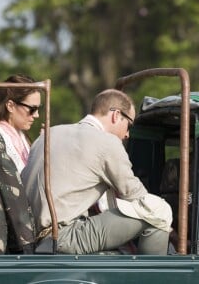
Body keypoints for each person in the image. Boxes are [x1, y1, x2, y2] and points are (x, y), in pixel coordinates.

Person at [22, 89, 172, 255]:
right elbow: (137, 196)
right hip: (62, 238)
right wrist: (174, 233)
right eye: (129, 125)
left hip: (31, 236)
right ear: (116, 115)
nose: (128, 134)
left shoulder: (49, 133)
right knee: (160, 211)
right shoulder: (108, 143)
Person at [0, 74, 41, 173]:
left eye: (38, 109)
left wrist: (40, 146)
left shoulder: (20, 135)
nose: (36, 115)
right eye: (32, 109)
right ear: (10, 106)